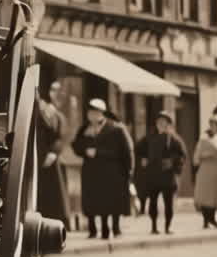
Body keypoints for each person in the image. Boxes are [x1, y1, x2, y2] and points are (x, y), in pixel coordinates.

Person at [71, 98, 133, 240]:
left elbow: (125, 150)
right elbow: (75, 145)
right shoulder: (85, 128)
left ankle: (110, 229)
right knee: (91, 200)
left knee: (109, 200)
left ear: (102, 113)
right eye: (90, 112)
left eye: (95, 112)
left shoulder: (116, 129)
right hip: (91, 171)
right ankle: (92, 229)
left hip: (111, 172)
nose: (91, 115)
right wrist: (85, 151)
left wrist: (129, 170)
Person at [134, 111, 188, 235]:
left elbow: (182, 155)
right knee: (152, 202)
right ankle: (153, 227)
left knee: (168, 204)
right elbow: (138, 149)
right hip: (153, 175)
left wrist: (173, 162)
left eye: (164, 122)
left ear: (168, 124)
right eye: (159, 122)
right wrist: (143, 158)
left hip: (168, 176)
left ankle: (167, 227)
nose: (161, 124)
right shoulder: (149, 137)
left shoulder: (173, 138)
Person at [35, 80, 70, 228]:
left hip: (51, 159)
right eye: (54, 91)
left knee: (55, 194)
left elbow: (61, 137)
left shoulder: (60, 116)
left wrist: (53, 153)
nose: (57, 94)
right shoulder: (43, 109)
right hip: (38, 156)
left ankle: (56, 223)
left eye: (60, 91)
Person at [192, 116, 217, 228]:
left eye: (215, 124)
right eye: (211, 124)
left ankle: (214, 219)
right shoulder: (203, 138)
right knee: (205, 195)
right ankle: (206, 220)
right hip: (205, 168)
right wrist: (202, 157)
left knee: (216, 195)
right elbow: (196, 154)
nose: (213, 126)